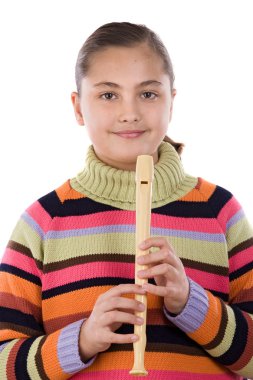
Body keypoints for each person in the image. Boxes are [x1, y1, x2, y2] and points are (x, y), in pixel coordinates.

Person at [0, 21, 252, 380]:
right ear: (78, 107)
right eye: (108, 95)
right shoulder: (41, 222)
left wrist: (191, 304)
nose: (130, 112)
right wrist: (82, 341)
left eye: (148, 94)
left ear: (171, 101)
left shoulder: (220, 212)